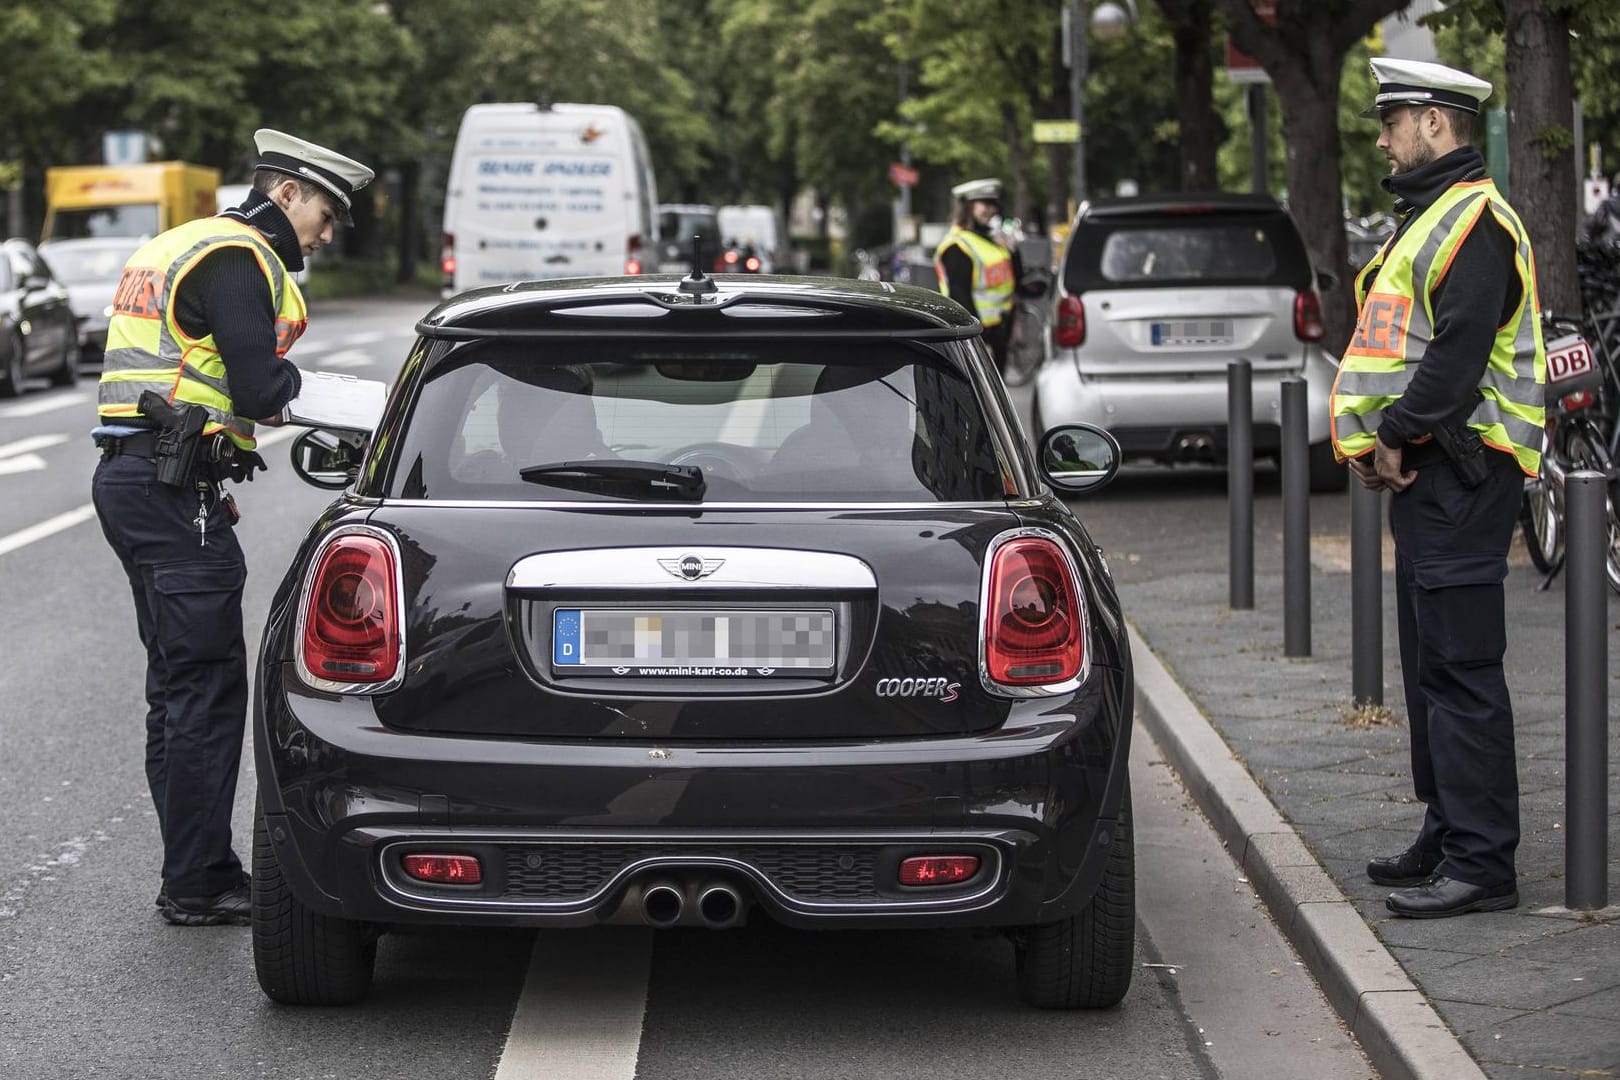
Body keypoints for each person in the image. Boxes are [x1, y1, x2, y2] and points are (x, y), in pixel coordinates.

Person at [91, 130, 373, 926]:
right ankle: (199, 882)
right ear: (286, 193)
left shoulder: (178, 243)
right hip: (171, 490)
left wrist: (213, 465)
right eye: (324, 211)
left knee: (176, 688)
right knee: (207, 689)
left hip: (141, 479)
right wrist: (368, 410)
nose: (327, 231)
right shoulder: (240, 256)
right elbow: (257, 386)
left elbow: (186, 375)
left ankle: (192, 869)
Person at [1330, 58, 1545, 919]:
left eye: (1392, 122)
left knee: (1461, 671)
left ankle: (1484, 863)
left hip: (1460, 471)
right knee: (1429, 669)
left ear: (1436, 122)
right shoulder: (1430, 218)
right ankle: (1446, 828)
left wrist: (1389, 434)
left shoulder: (1475, 224)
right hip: (1431, 479)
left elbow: (1454, 363)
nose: (1383, 139)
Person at [935, 178, 1022, 376]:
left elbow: (1015, 280)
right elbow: (960, 296)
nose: (991, 210)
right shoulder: (957, 246)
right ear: (968, 207)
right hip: (979, 336)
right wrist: (978, 341)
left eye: (993, 205)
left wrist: (1013, 250)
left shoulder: (991, 240)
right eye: (985, 204)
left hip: (1000, 331)